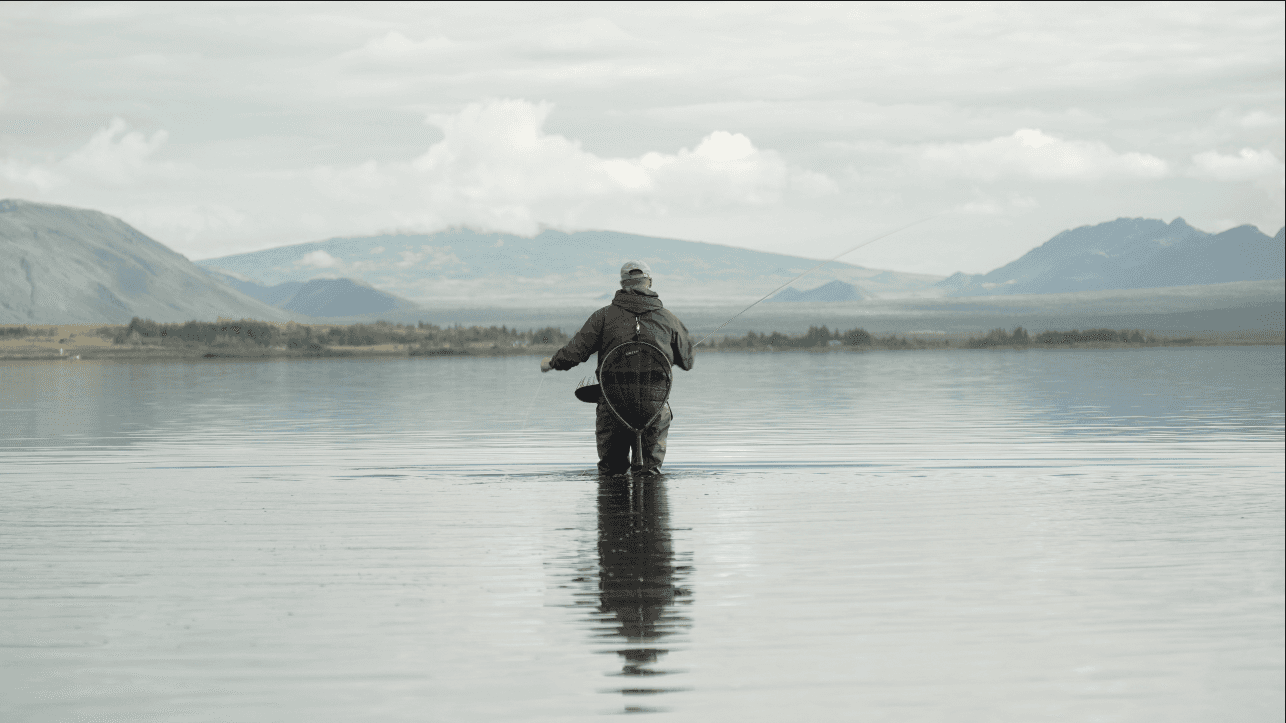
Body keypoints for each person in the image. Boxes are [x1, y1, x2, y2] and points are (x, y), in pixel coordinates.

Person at [541, 260, 694, 476]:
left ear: (622, 284)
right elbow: (687, 362)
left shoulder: (602, 316)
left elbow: (575, 353)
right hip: (654, 406)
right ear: (649, 282)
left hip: (612, 405)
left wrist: (552, 363)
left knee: (611, 473)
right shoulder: (669, 319)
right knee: (650, 475)